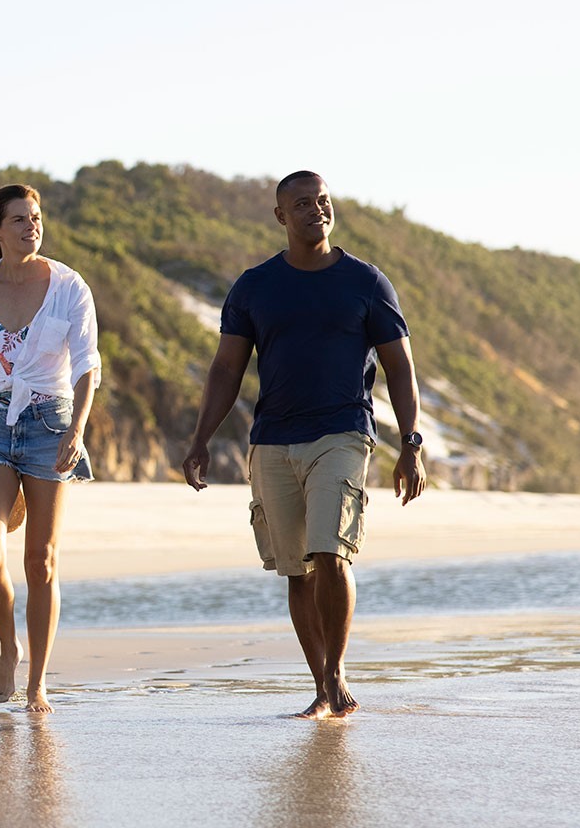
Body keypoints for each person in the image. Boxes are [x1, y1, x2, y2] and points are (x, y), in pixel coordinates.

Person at [182, 170, 426, 719]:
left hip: (342, 432)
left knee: (329, 552)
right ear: (279, 216)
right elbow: (226, 367)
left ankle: (336, 676)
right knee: (296, 569)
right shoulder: (254, 286)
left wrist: (410, 443)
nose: (315, 210)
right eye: (301, 204)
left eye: (322, 201)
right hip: (273, 438)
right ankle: (321, 685)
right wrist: (200, 437)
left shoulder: (366, 282)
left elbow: (400, 368)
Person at [0, 183, 102, 713]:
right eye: (19, 219)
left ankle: (37, 681)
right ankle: (7, 647)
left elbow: (86, 367)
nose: (32, 226)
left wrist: (77, 432)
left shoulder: (68, 286)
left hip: (50, 425)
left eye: (36, 217)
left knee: (42, 560)